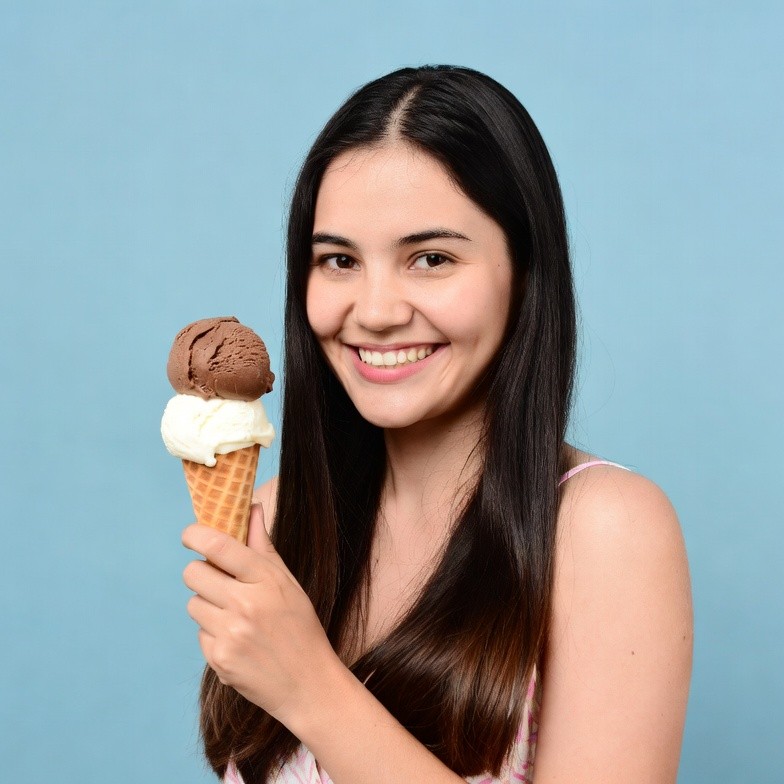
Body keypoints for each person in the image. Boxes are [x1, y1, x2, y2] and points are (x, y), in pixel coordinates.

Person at [181, 65, 693, 784]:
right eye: (338, 260)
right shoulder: (277, 517)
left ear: (525, 271)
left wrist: (312, 688)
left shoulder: (605, 529)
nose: (377, 309)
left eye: (431, 258)